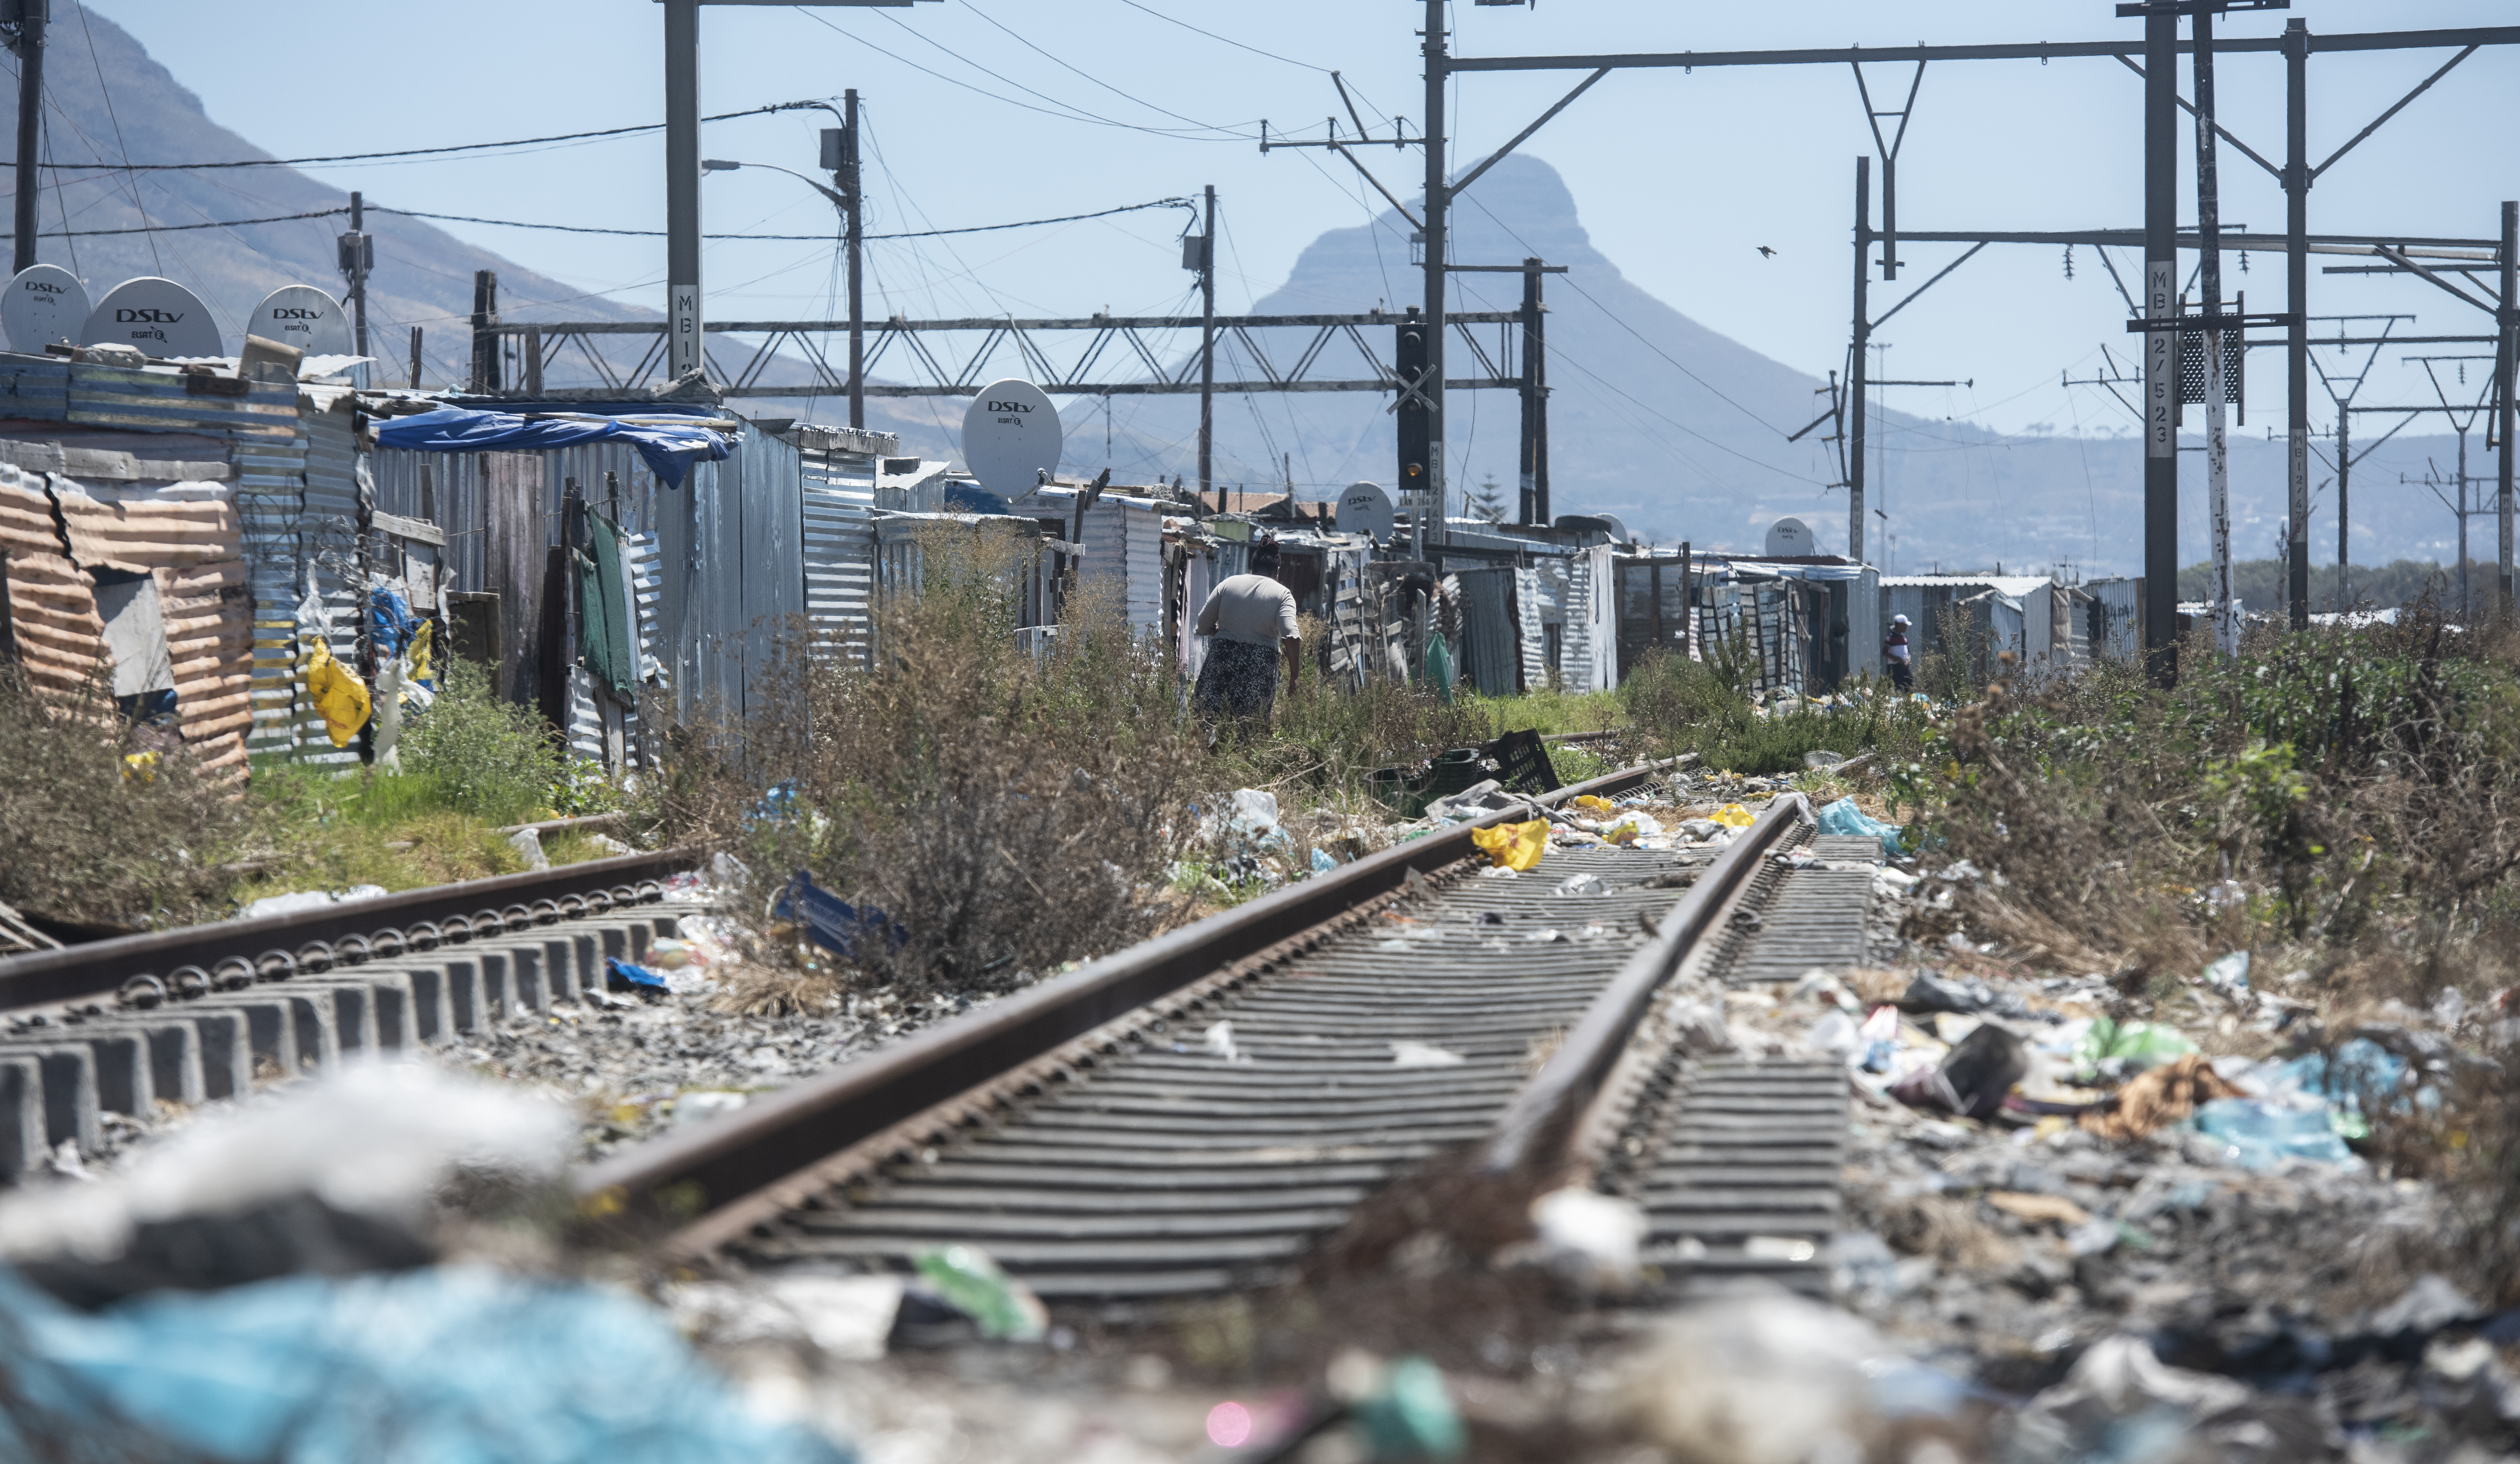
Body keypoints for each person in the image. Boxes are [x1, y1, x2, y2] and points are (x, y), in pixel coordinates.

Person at [1192, 539, 1301, 734]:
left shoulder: (1229, 584)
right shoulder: (1283, 594)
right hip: (1259, 667)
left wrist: (1216, 632)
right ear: (1277, 570)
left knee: (1205, 725)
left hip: (1222, 658)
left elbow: (1203, 623)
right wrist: (1294, 676)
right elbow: (1291, 637)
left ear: (1253, 566)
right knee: (1248, 731)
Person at [1884, 613, 1914, 694]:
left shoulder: (1904, 639)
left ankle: (1909, 703)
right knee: (1898, 688)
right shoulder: (1891, 637)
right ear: (1900, 625)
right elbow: (1885, 653)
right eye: (1905, 625)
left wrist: (1908, 661)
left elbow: (1909, 652)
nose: (1906, 627)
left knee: (1909, 683)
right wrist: (1898, 660)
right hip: (1895, 668)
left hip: (1905, 667)